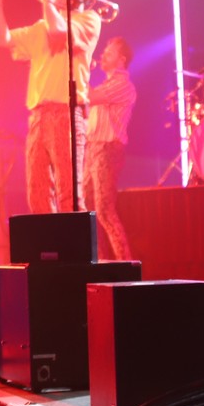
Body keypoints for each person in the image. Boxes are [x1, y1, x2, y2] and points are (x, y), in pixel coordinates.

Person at [0, 0, 102, 213]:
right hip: (38, 116)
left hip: (66, 114)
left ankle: (74, 241)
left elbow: (60, 32)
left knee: (69, 194)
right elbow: (2, 39)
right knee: (37, 192)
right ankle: (48, 240)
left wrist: (48, 3)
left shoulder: (89, 19)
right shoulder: (43, 26)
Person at [82, 36, 137, 261]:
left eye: (110, 52)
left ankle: (126, 265)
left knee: (104, 210)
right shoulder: (106, 84)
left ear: (121, 60)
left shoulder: (122, 84)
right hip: (93, 149)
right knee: (87, 209)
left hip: (107, 150)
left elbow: (90, 97)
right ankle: (100, 262)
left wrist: (81, 66)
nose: (104, 54)